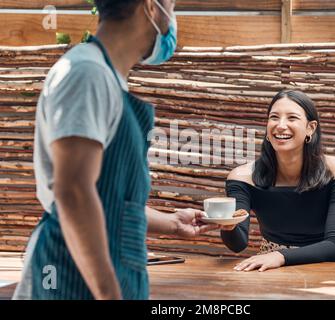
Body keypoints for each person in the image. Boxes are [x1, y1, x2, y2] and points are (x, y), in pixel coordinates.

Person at [13, 0, 216, 300]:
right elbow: (75, 192)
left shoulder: (105, 78)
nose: (173, 19)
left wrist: (173, 222)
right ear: (149, 7)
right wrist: (109, 293)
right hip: (70, 276)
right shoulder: (85, 73)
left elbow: (108, 200)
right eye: (171, 5)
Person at [220, 90, 335, 272]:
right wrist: (228, 227)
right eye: (274, 117)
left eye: (292, 118)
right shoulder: (242, 177)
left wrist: (280, 255)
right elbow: (238, 244)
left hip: (324, 268)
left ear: (311, 128)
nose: (281, 125)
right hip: (268, 270)